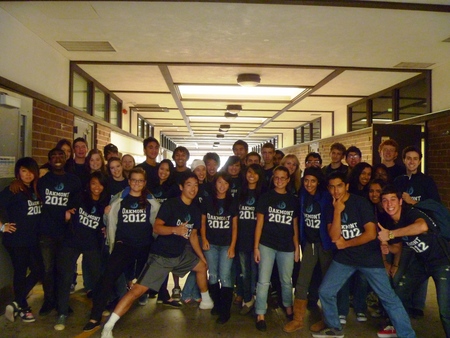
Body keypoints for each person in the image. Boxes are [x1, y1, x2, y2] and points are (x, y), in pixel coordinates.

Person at [99, 173, 214, 338]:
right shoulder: (170, 204)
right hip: (161, 257)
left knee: (202, 267)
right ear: (181, 187)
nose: (193, 188)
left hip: (180, 254)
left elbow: (193, 236)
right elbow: (157, 228)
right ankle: (108, 327)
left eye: (196, 185)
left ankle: (206, 301)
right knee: (137, 291)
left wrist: (202, 258)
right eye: (189, 184)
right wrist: (175, 229)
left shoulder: (195, 209)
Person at [310, 171, 414, 338]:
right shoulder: (331, 206)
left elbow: (371, 234)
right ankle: (335, 328)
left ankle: (407, 334)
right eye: (332, 187)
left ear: (347, 186)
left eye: (339, 186)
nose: (336, 191)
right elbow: (334, 236)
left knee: (388, 297)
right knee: (325, 291)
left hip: (369, 257)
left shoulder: (360, 203)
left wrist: (347, 243)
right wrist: (337, 211)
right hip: (345, 258)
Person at [83, 167, 160, 332]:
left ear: (144, 183)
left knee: (140, 282)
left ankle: (137, 297)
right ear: (129, 181)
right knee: (107, 279)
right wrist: (105, 215)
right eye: (134, 180)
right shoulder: (119, 199)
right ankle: (95, 316)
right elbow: (108, 220)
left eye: (140, 180)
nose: (137, 183)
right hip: (123, 245)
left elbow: (157, 223)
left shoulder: (151, 201)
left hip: (145, 247)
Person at [378, 185, 450, 337]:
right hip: (421, 262)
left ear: (400, 202)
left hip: (442, 262)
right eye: (385, 201)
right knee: (399, 294)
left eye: (393, 200)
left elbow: (422, 226)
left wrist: (390, 234)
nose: (389, 204)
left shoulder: (411, 213)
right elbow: (397, 248)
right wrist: (386, 248)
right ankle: (400, 329)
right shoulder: (393, 222)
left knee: (445, 309)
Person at [54, 172, 107, 330]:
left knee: (98, 277)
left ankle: (97, 309)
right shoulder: (79, 197)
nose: (96, 187)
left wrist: (105, 228)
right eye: (93, 183)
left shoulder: (106, 203)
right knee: (65, 277)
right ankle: (62, 312)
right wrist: (67, 215)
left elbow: (106, 223)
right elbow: (65, 213)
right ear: (89, 184)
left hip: (92, 245)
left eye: (100, 184)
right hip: (72, 242)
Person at [283, 167, 334, 333]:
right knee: (302, 281)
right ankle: (298, 319)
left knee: (328, 283)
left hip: (325, 245)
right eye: (306, 180)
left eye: (312, 181)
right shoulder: (303, 195)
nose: (309, 184)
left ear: (318, 181)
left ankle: (328, 320)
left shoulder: (326, 197)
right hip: (309, 244)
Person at [37, 148, 82, 316]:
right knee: (48, 270)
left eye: (60, 155)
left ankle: (63, 301)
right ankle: (49, 300)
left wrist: (71, 212)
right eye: (53, 156)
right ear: (49, 160)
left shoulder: (74, 181)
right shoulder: (42, 181)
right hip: (46, 233)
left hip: (66, 234)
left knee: (64, 270)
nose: (57, 158)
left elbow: (78, 204)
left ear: (66, 158)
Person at [254, 166, 300, 332]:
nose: (280, 181)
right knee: (263, 281)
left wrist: (297, 248)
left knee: (286, 281)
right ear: (273, 179)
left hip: (287, 246)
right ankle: (260, 313)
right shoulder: (266, 197)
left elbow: (294, 225)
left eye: (283, 178)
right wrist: (256, 247)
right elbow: (259, 223)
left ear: (288, 180)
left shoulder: (293, 200)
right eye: (277, 178)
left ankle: (288, 307)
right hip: (266, 244)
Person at [1, 157, 44, 323]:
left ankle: (16, 302)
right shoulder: (13, 189)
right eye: (24, 171)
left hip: (31, 240)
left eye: (30, 171)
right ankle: (23, 307)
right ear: (18, 172)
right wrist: (2, 226)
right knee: (20, 272)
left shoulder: (33, 189)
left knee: (39, 270)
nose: (27, 174)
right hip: (16, 241)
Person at [201, 172, 238, 324]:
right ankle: (217, 304)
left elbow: (235, 227)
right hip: (211, 244)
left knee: (225, 276)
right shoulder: (208, 201)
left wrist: (232, 246)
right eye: (219, 182)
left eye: (226, 183)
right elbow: (203, 222)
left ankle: (225, 310)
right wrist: (203, 239)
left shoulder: (233, 202)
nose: (222, 186)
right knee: (213, 275)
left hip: (226, 245)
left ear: (229, 186)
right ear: (215, 183)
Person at [237, 164, 265, 315]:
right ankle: (247, 299)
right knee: (244, 272)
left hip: (257, 241)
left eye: (255, 173)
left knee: (256, 273)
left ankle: (257, 300)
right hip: (241, 239)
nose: (251, 175)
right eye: (249, 172)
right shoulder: (240, 192)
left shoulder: (263, 193)